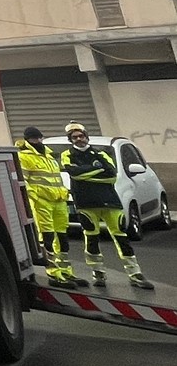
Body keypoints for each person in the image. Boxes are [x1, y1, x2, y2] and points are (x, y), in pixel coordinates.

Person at [60, 123, 153, 290]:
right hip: (86, 204)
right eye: (75, 137)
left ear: (86, 136)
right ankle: (98, 273)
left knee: (121, 237)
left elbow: (111, 175)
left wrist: (86, 174)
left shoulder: (101, 153)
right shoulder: (67, 155)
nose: (79, 139)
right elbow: (75, 174)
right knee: (91, 238)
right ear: (70, 140)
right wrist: (96, 169)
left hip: (110, 201)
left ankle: (135, 274)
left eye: (81, 136)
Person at [16, 127, 82, 288]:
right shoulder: (24, 157)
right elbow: (24, 182)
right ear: (27, 140)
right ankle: (53, 273)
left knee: (62, 237)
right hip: (41, 202)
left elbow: (55, 177)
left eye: (39, 138)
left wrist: (64, 193)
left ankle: (65, 271)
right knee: (47, 238)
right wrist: (36, 197)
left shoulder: (48, 154)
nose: (38, 141)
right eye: (34, 139)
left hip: (59, 200)